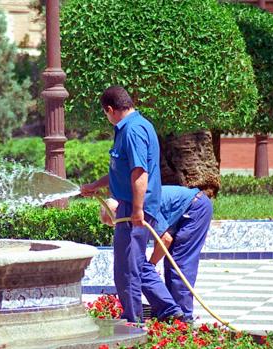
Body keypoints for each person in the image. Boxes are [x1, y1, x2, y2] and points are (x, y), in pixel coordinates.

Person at [81, 85, 182, 323]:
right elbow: (124, 170)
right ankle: (169, 311)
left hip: (134, 208)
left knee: (128, 270)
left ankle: (133, 322)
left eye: (105, 113)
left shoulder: (133, 130)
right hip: (133, 206)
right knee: (133, 265)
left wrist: (137, 210)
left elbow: (139, 172)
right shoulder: (135, 126)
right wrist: (96, 185)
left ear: (109, 109)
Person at [100, 185, 213, 321]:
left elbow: (165, 239)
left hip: (195, 208)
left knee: (179, 263)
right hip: (183, 211)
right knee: (164, 265)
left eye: (116, 222)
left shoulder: (141, 206)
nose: (118, 226)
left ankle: (183, 318)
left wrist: (151, 264)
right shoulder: (129, 205)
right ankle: (174, 313)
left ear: (119, 210)